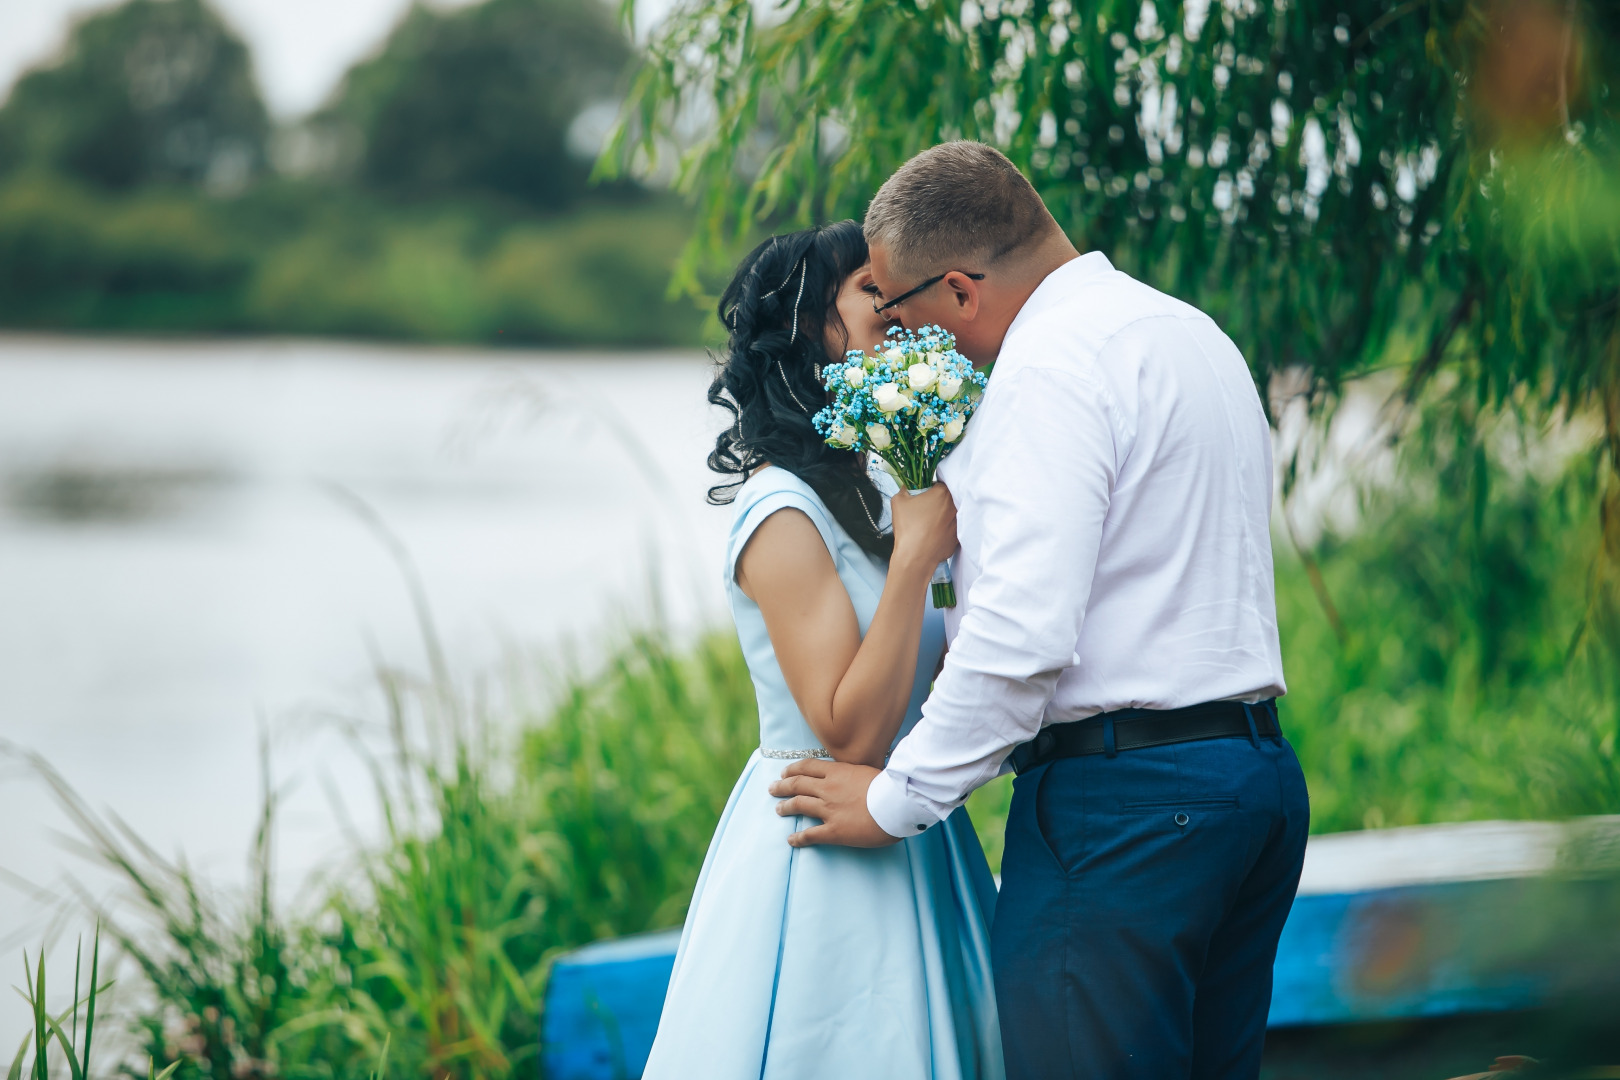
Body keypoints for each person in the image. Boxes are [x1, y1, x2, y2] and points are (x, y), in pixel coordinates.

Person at [769, 143, 1310, 1080]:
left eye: (901, 309)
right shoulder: (1187, 333)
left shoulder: (1045, 370)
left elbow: (1021, 639)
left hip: (1127, 815)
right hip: (1252, 782)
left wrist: (896, 801)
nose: (906, 338)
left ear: (960, 291)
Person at [641, 221, 1004, 1080]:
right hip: (823, 848)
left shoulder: (889, 483)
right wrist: (917, 555)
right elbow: (848, 732)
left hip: (910, 826)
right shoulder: (781, 509)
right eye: (869, 288)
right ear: (808, 326)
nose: (896, 303)